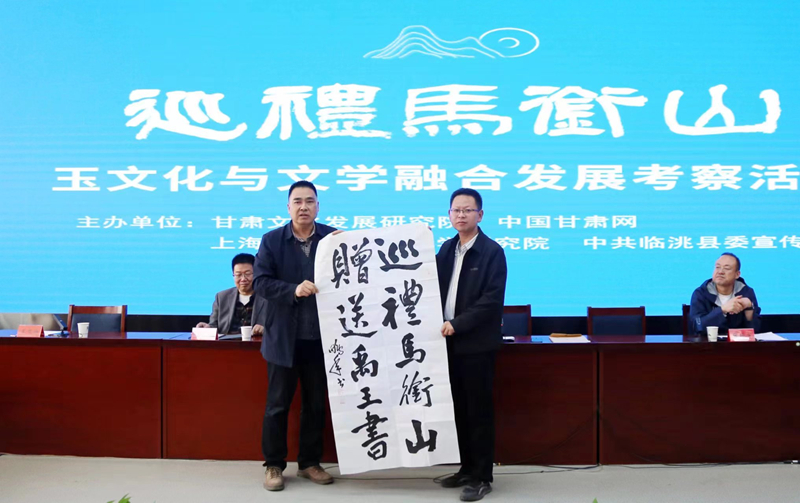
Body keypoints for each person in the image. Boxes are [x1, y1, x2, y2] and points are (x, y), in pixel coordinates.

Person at [252, 181, 335, 491]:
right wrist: (293, 290)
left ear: (318, 206)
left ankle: (309, 463)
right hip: (283, 340)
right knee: (277, 405)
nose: (304, 207)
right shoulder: (272, 240)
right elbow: (260, 282)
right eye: (297, 201)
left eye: (309, 201)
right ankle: (273, 465)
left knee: (316, 405)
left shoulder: (332, 238)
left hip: (321, 340)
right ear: (288, 207)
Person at [436, 188, 507, 502]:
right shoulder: (446, 248)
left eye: (467, 210)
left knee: (478, 411)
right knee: (458, 410)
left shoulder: (492, 252)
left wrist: (458, 323)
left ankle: (482, 476)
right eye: (456, 210)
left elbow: (491, 301)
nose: (461, 215)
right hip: (447, 344)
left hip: (476, 345)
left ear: (480, 214)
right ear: (449, 215)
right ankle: (466, 469)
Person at [689, 252, 761, 335]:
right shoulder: (701, 293)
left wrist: (749, 308)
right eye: (717, 267)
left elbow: (755, 330)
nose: (720, 272)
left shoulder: (746, 292)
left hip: (738, 342)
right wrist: (722, 310)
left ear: (737, 274)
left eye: (727, 268)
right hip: (708, 342)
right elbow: (698, 326)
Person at [196, 253, 266, 336]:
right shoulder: (221, 297)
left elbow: (276, 326)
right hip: (227, 343)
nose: (243, 279)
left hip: (255, 342)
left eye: (247, 274)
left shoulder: (267, 298)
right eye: (238, 275)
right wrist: (207, 328)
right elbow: (213, 325)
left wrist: (265, 329)